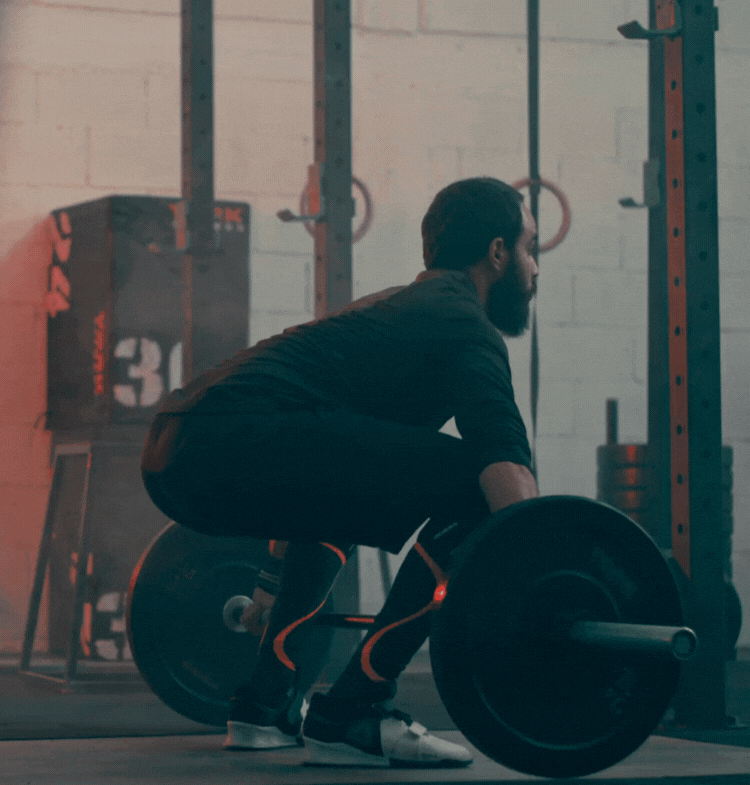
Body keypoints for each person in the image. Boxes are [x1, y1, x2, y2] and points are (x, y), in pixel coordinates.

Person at [140, 176, 540, 768]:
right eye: (531, 248)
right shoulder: (463, 323)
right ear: (498, 252)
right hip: (235, 438)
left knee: (352, 492)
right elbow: (505, 474)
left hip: (176, 446)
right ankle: (357, 708)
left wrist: (270, 584)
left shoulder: (396, 306)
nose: (536, 268)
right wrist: (540, 582)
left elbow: (319, 466)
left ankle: (265, 703)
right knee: (474, 488)